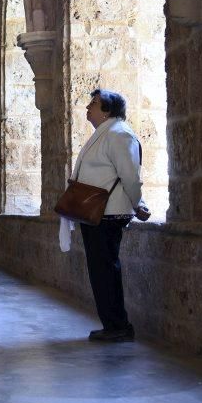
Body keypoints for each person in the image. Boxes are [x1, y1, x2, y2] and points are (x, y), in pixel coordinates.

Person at [74, 89, 149, 342]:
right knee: (100, 271)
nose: (88, 107)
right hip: (96, 212)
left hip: (109, 212)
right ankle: (111, 324)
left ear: (107, 110)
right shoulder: (105, 133)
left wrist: (138, 203)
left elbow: (130, 175)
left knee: (105, 270)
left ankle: (118, 326)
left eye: (93, 104)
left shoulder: (119, 134)